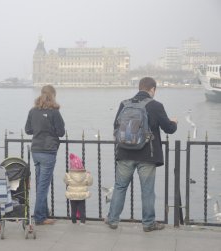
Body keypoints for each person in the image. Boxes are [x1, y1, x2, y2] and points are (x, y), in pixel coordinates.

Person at [105, 77, 178, 232]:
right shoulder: (156, 105)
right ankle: (148, 223)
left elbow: (115, 126)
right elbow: (169, 129)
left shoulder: (124, 104)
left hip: (124, 152)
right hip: (147, 155)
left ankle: (112, 219)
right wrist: (175, 122)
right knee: (147, 190)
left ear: (139, 88)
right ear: (152, 89)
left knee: (120, 187)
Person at [25, 85, 65, 225]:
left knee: (40, 184)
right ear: (53, 95)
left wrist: (39, 129)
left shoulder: (33, 111)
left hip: (36, 151)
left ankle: (44, 213)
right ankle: (39, 217)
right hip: (48, 152)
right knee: (43, 186)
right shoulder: (54, 112)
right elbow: (61, 132)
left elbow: (28, 130)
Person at [64, 153, 93, 225]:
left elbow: (66, 181)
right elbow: (90, 183)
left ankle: (73, 221)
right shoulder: (85, 174)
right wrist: (89, 175)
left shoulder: (69, 175)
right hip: (81, 195)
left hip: (72, 195)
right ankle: (82, 221)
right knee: (82, 209)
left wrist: (67, 175)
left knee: (73, 209)